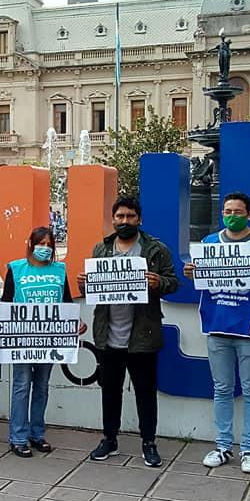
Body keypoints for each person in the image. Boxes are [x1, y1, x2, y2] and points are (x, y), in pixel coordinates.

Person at [78, 195, 179, 468]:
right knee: (109, 391)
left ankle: (149, 442)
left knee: (145, 392)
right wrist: (85, 284)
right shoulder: (101, 249)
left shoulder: (155, 249)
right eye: (120, 217)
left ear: (139, 219)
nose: (125, 221)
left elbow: (173, 282)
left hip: (142, 335)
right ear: (113, 219)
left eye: (130, 216)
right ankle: (109, 439)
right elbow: (92, 289)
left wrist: (159, 282)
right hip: (107, 335)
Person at [184, 192, 250, 473]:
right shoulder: (210, 244)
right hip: (217, 326)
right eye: (227, 211)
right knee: (222, 389)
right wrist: (192, 274)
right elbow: (201, 281)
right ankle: (223, 446)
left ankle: (249, 449)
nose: (232, 216)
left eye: (238, 212)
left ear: (249, 215)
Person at [0, 226, 86, 457]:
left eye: (48, 244)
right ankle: (18, 437)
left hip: (50, 340)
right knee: (22, 386)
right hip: (22, 340)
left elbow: (66, 302)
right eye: (40, 243)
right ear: (30, 244)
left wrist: (76, 322)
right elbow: (6, 302)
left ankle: (37, 434)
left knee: (42, 387)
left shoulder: (59, 270)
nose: (44, 248)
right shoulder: (16, 269)